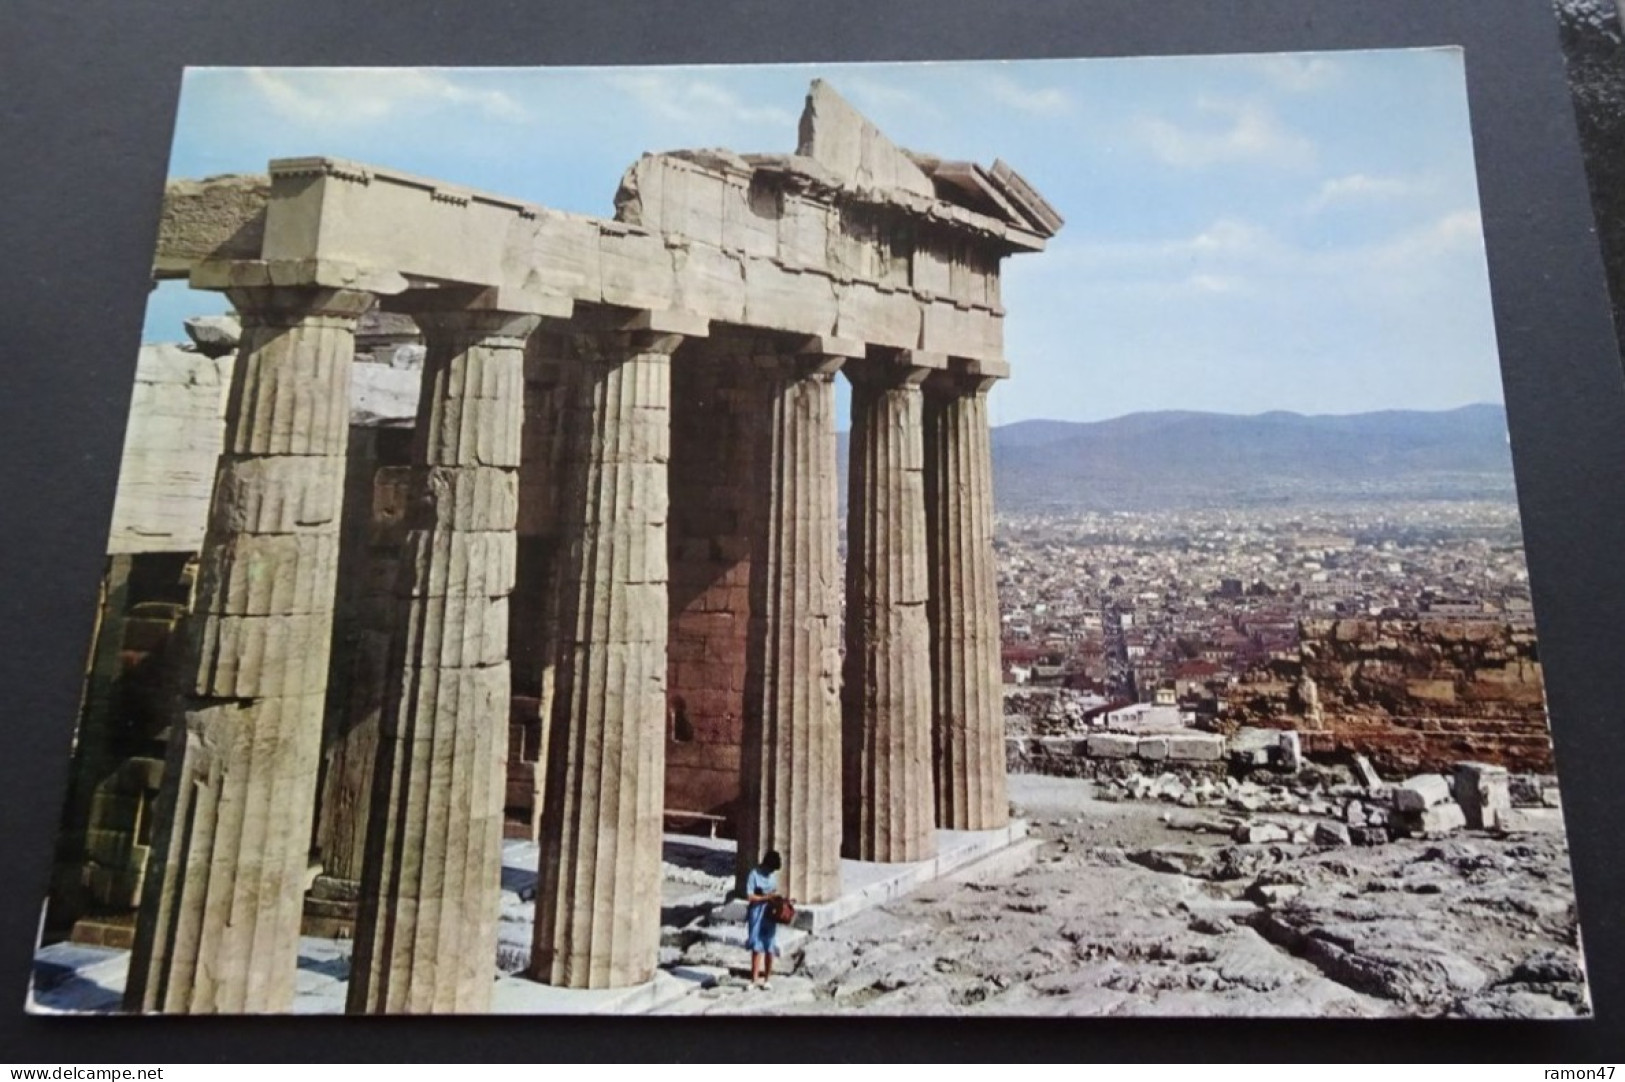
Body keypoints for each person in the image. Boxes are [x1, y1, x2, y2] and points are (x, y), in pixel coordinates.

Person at [744, 849, 785, 989]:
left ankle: (767, 979)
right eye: (769, 869)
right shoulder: (754, 874)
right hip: (756, 912)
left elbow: (774, 891)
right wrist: (764, 897)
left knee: (769, 946)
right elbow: (749, 896)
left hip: (769, 913)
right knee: (756, 946)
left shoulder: (772, 876)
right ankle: (754, 979)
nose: (771, 872)